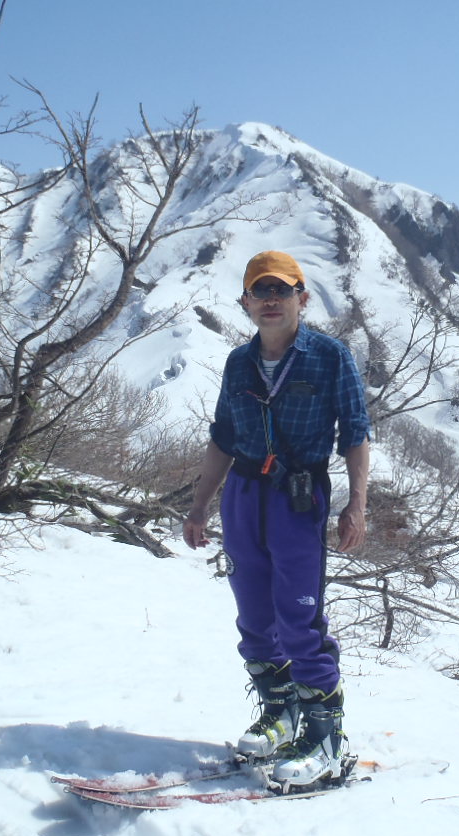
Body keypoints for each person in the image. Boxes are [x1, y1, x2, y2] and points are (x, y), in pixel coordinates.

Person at [183, 250, 371, 787]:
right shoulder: (238, 363)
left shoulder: (330, 357)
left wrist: (356, 504)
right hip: (243, 494)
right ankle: (282, 713)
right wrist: (199, 506)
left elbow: (355, 433)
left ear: (301, 298)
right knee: (254, 618)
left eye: (281, 290)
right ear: (245, 302)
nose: (270, 300)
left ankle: (326, 738)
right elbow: (223, 436)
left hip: (298, 498)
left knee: (299, 619)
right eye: (259, 292)